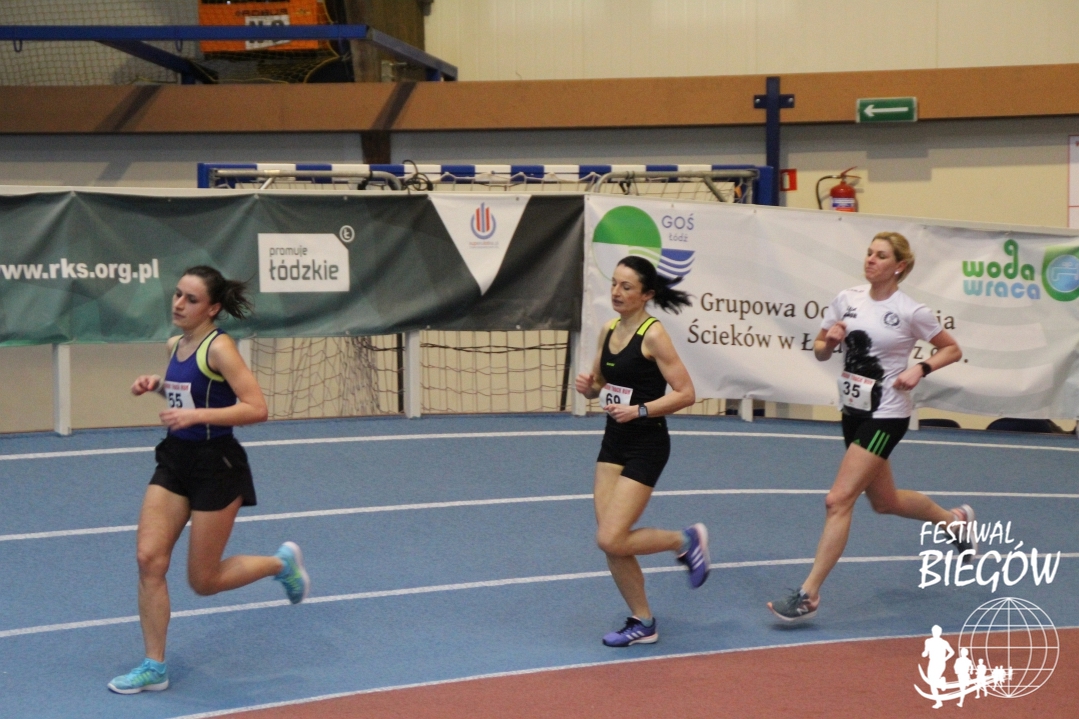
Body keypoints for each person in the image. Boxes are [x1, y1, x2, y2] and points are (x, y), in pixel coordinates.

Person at [108, 266, 310, 694]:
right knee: (149, 559)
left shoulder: (221, 348)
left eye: (192, 299)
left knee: (203, 581)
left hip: (217, 466)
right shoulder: (175, 344)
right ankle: (154, 666)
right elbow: (190, 393)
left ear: (213, 308)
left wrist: (198, 415)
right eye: (178, 294)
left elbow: (256, 408)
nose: (179, 304)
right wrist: (158, 385)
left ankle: (280, 564)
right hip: (175, 460)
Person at [767, 232, 974, 622]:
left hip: (887, 414)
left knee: (838, 500)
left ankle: (808, 594)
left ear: (899, 266)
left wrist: (920, 368)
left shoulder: (911, 311)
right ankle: (954, 522)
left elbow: (952, 348)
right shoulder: (847, 299)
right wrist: (830, 341)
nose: (871, 260)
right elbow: (820, 349)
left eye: (881, 255)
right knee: (885, 502)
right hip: (854, 411)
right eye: (869, 253)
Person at [574, 256, 708, 647]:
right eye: (614, 284)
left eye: (627, 286)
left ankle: (684, 541)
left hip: (647, 443)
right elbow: (600, 383)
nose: (616, 292)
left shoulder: (653, 335)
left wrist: (640, 410)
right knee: (611, 542)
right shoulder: (608, 330)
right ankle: (643, 621)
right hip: (613, 442)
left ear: (646, 294)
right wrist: (589, 387)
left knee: (611, 537)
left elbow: (686, 393)